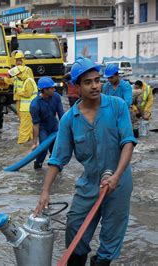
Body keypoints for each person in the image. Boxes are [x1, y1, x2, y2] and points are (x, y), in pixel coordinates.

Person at [34, 57, 136, 265]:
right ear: (77, 86)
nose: (95, 86)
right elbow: (57, 159)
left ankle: (102, 260)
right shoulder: (70, 120)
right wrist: (45, 191)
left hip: (119, 182)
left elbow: (128, 142)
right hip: (89, 183)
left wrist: (116, 176)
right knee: (74, 228)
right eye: (88, 82)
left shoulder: (116, 106)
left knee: (111, 236)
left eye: (97, 80)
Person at [30, 76, 64, 169]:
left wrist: (66, 130)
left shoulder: (56, 97)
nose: (54, 89)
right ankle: (38, 165)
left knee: (56, 150)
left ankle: (54, 167)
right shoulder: (35, 104)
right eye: (52, 88)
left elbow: (62, 115)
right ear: (44, 90)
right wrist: (34, 142)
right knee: (43, 149)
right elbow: (35, 125)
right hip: (43, 128)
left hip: (54, 126)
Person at [10, 65, 38, 144]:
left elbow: (27, 94)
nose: (17, 77)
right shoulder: (27, 80)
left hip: (27, 109)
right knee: (29, 128)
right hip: (28, 109)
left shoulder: (28, 81)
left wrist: (18, 92)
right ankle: (29, 144)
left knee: (24, 128)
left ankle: (21, 146)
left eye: (18, 75)